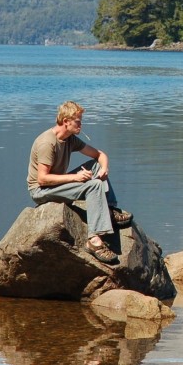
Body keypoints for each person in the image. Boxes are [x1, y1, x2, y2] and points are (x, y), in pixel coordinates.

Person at [27, 101, 132, 264]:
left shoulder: (70, 140)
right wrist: (75, 178)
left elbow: (99, 155)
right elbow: (42, 179)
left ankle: (109, 210)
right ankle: (94, 240)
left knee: (96, 166)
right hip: (42, 191)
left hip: (57, 185)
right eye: (78, 121)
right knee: (94, 185)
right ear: (65, 121)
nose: (81, 125)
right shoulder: (47, 143)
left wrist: (104, 168)